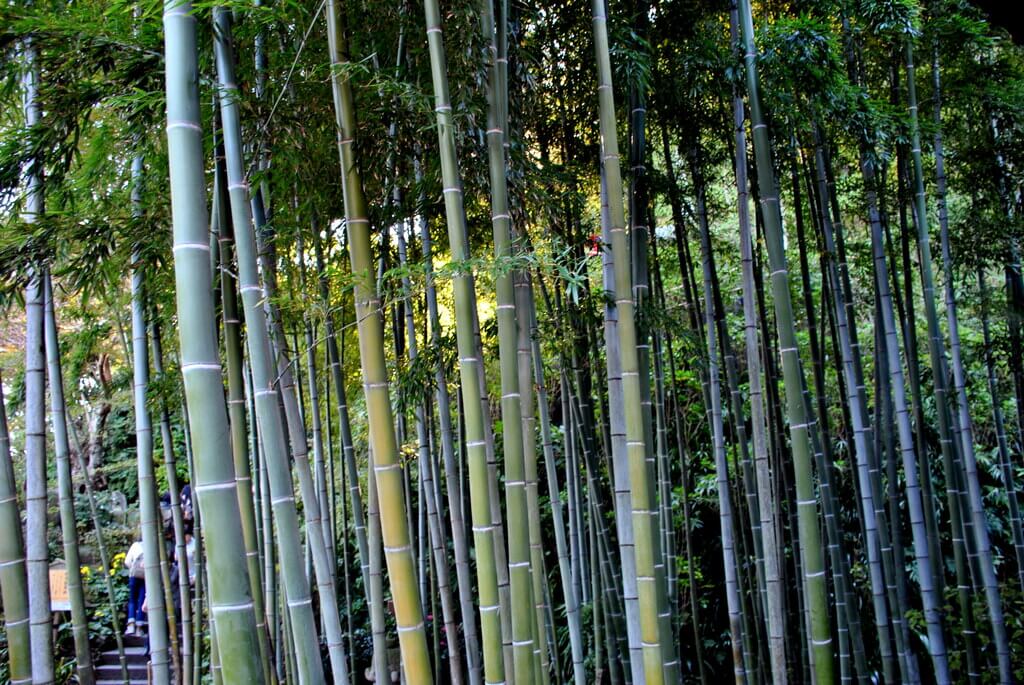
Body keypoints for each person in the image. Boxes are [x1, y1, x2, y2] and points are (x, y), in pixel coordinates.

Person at [124, 536, 147, 636]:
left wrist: (133, 568)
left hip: (133, 576)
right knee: (142, 600)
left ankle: (130, 626)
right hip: (146, 577)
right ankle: (139, 628)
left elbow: (127, 561)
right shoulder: (152, 546)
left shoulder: (135, 545)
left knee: (132, 600)